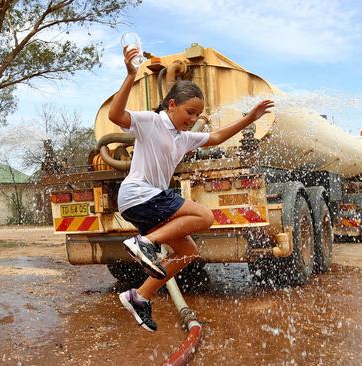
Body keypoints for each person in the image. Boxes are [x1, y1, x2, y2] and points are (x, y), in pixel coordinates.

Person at [109, 46, 274, 331]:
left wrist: (250, 118)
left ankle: (139, 296)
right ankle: (144, 244)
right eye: (189, 112)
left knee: (188, 253)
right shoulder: (150, 123)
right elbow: (115, 115)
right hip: (138, 194)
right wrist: (130, 75)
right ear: (171, 105)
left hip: (149, 200)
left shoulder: (183, 137)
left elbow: (218, 135)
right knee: (205, 217)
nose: (193, 118)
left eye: (197, 113)